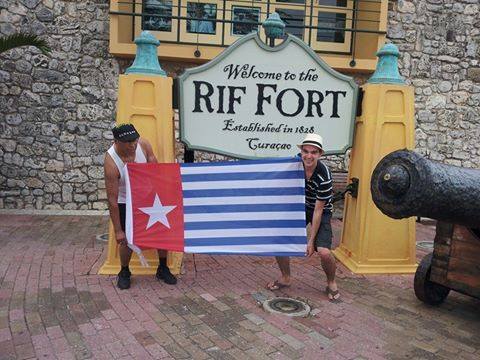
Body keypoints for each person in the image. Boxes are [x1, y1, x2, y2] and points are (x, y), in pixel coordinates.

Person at [266, 133, 340, 301]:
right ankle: (286, 277)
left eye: (313, 152)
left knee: (324, 252)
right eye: (305, 151)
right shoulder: (294, 164)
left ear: (320, 154)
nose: (308, 155)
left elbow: (318, 211)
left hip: (320, 210)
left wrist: (311, 240)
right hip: (298, 207)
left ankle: (331, 282)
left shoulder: (324, 175)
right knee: (279, 241)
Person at [104, 123, 177, 289]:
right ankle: (124, 271)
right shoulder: (111, 162)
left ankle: (163, 267)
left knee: (161, 229)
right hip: (124, 200)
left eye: (134, 140)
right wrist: (117, 230)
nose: (133, 145)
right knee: (126, 239)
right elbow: (112, 200)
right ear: (116, 142)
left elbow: (156, 172)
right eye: (128, 142)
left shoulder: (143, 145)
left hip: (146, 195)